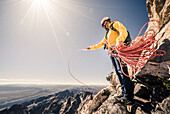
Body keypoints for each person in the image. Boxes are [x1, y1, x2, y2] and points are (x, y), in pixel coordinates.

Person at [87, 17, 134, 102]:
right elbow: (101, 43)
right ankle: (124, 92)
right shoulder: (107, 34)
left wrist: (119, 41)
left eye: (103, 25)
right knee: (118, 72)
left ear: (106, 22)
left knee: (122, 71)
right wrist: (91, 48)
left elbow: (123, 30)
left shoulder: (115, 24)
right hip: (112, 53)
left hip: (118, 50)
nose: (104, 27)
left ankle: (128, 96)